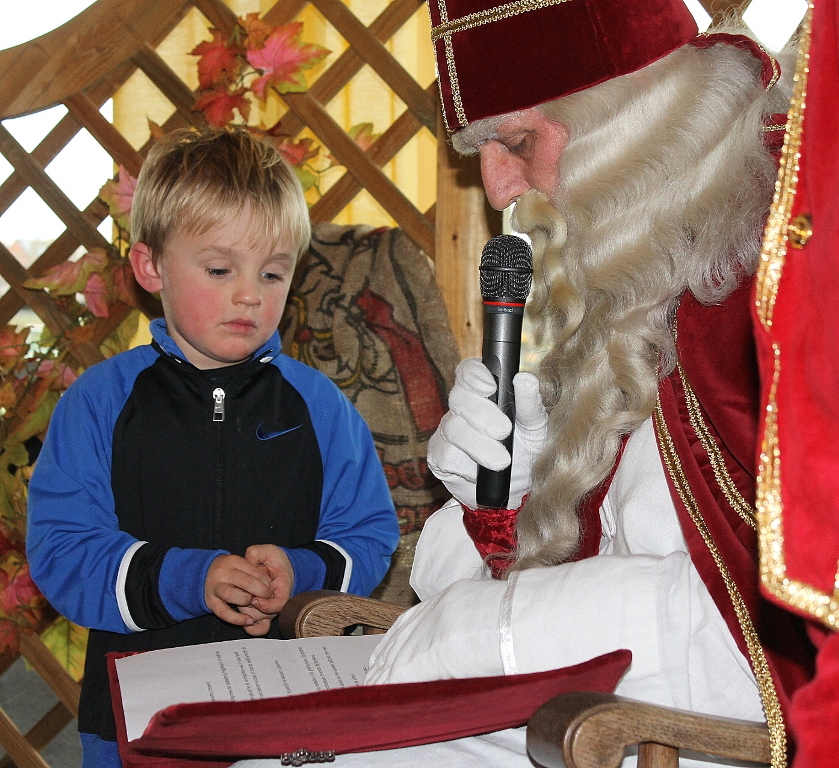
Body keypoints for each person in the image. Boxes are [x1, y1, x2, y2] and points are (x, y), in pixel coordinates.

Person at [236, 3, 815, 768]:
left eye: (516, 140)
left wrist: (482, 634)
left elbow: (759, 635)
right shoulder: (662, 258)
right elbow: (632, 549)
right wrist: (508, 503)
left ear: (630, 114)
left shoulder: (792, 262)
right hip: (614, 714)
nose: (501, 189)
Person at [25, 126, 400, 768]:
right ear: (150, 268)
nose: (251, 294)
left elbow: (368, 536)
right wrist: (186, 579)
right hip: (134, 728)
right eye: (220, 269)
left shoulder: (321, 406)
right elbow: (62, 551)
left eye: (274, 272)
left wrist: (302, 572)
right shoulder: (100, 401)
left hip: (288, 722)